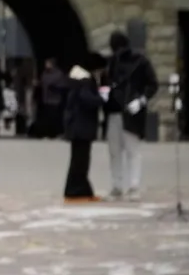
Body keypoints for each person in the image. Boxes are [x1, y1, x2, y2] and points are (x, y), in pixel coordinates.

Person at [101, 31, 159, 201]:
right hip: (114, 111)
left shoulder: (140, 62)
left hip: (131, 111)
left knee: (131, 151)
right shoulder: (112, 62)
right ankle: (118, 186)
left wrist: (141, 100)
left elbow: (152, 84)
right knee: (115, 151)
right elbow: (106, 81)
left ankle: (133, 185)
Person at [62, 54, 106, 202]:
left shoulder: (77, 79)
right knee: (80, 161)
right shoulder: (85, 81)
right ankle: (76, 191)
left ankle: (81, 190)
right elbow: (87, 99)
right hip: (82, 126)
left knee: (79, 160)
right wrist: (101, 99)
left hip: (77, 126)